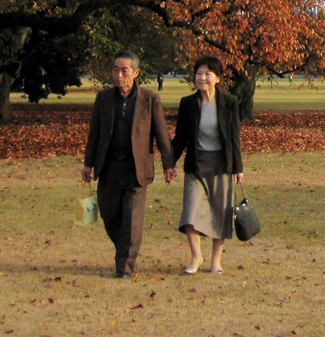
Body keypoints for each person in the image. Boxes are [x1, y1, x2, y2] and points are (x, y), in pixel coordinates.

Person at [82, 51, 175, 278]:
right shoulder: (103, 98)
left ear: (136, 73)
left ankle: (125, 268)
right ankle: (124, 250)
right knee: (110, 214)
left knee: (132, 221)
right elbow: (95, 134)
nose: (119, 74)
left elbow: (162, 134)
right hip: (109, 168)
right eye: (116, 69)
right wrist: (88, 164)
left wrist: (168, 164)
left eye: (124, 70)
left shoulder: (149, 99)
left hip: (137, 169)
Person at [170, 56, 245, 275]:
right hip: (196, 164)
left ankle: (216, 261)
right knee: (191, 211)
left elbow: (234, 137)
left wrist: (238, 168)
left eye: (207, 74)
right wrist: (170, 163)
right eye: (199, 73)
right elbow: (180, 137)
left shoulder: (230, 103)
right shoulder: (188, 103)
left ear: (218, 78)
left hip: (222, 165)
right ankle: (196, 256)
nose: (202, 78)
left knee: (220, 213)